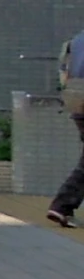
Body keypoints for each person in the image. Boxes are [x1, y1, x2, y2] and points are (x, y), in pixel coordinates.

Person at [50, 18, 84, 228]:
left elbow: (63, 73)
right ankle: (62, 205)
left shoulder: (76, 40)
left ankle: (62, 206)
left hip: (75, 97)